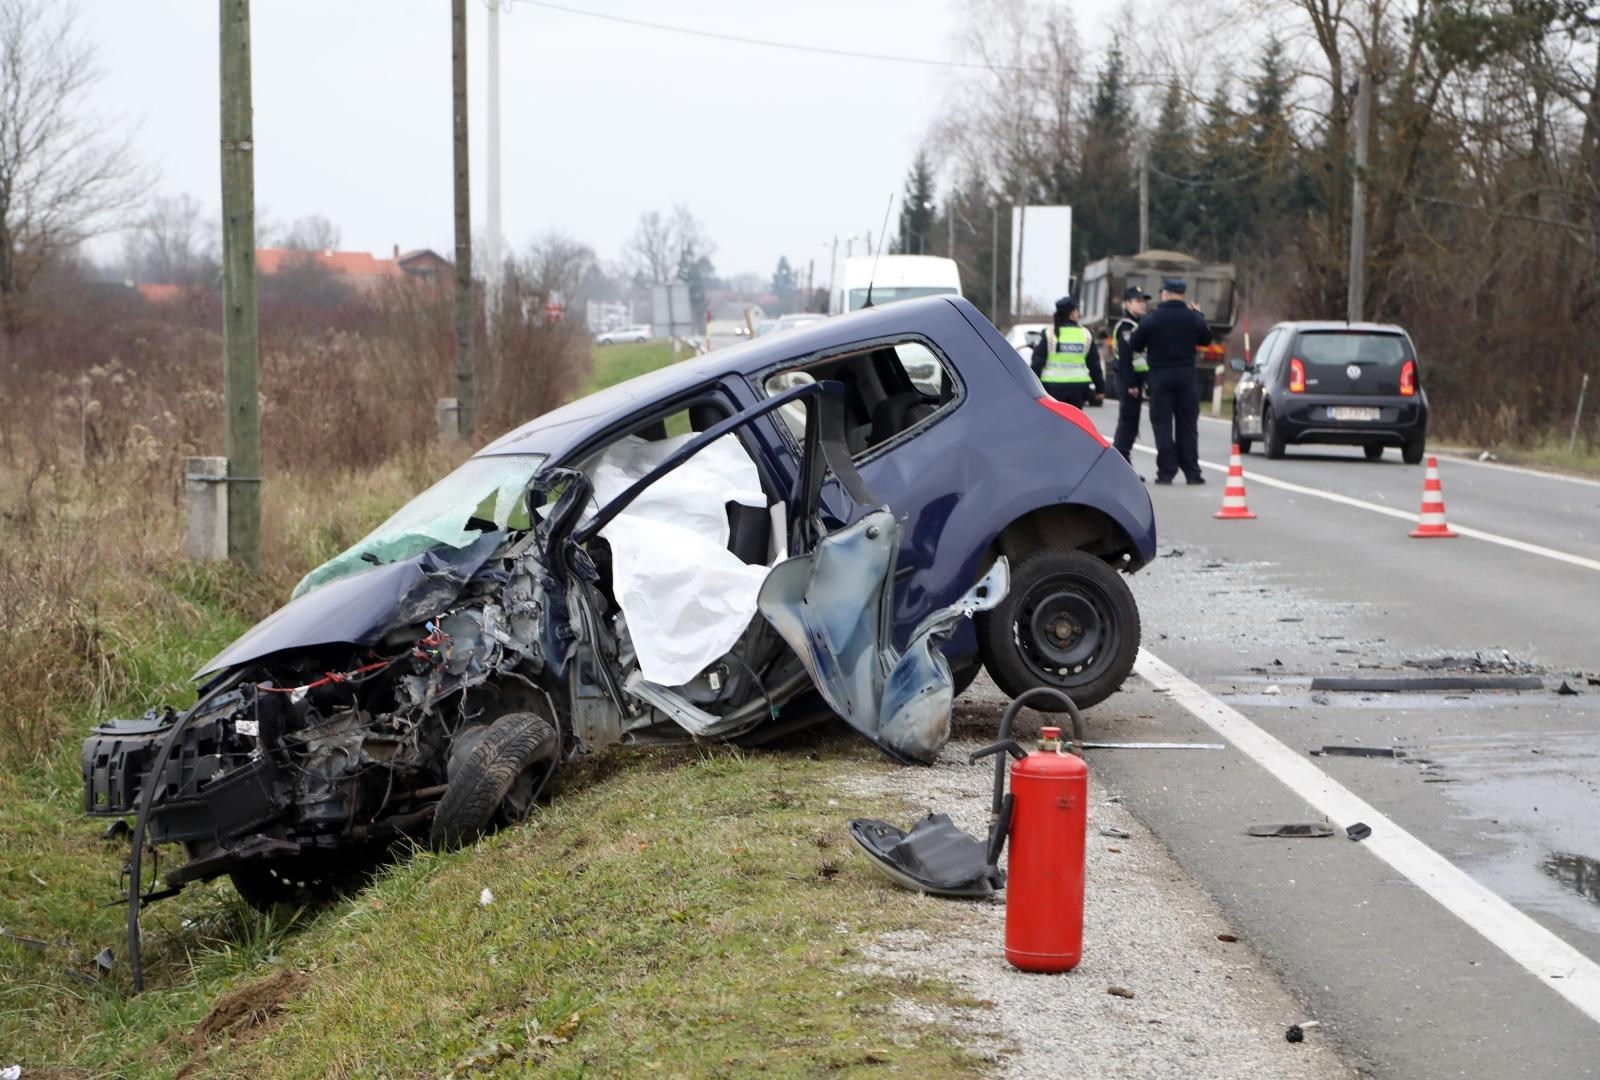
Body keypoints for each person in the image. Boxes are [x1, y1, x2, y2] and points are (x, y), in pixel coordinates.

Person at [1128, 277, 1211, 485]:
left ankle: (1166, 471)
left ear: (1164, 294)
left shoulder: (1152, 318)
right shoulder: (1193, 317)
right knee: (1187, 425)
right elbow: (1207, 339)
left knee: (1162, 424)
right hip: (1186, 376)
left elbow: (1135, 344)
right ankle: (1192, 472)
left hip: (1160, 376)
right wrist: (1199, 314)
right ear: (1183, 295)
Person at [1031, 295, 1104, 409]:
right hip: (1078, 389)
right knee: (1073, 423)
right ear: (1072, 313)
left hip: (1051, 388)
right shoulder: (1085, 335)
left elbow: (1037, 364)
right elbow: (1094, 366)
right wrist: (1100, 389)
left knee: (1054, 423)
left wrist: (1032, 389)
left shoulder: (1049, 334)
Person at [1111, 285, 1151, 466]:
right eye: (1138, 301)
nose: (1142, 304)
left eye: (1144, 301)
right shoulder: (1126, 327)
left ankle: (1124, 464)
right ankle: (1120, 464)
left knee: (1132, 423)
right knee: (1127, 423)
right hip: (1129, 379)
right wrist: (1132, 384)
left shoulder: (1139, 324)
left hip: (1136, 379)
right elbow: (1126, 358)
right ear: (1127, 304)